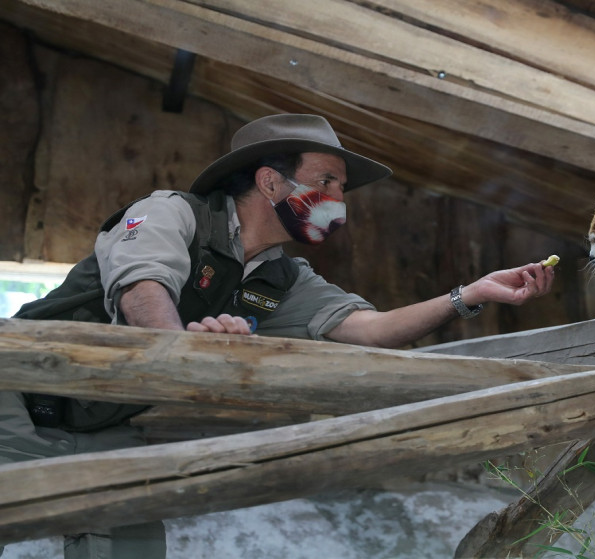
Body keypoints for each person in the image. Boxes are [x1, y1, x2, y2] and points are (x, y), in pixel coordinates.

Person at [0, 113, 555, 558]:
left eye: (341, 186)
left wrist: (473, 293)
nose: (340, 197)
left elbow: (372, 329)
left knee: (130, 547)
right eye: (326, 181)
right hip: (14, 398)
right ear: (271, 181)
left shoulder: (282, 275)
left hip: (102, 421)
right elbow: (143, 290)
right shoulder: (172, 213)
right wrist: (189, 352)